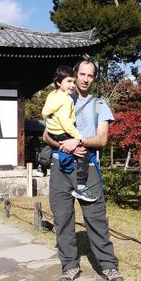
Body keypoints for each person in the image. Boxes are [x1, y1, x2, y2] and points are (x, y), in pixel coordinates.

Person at [43, 59, 124, 281]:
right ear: (74, 75)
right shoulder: (59, 101)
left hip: (87, 167)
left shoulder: (100, 105)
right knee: (62, 218)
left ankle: (108, 266)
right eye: (82, 74)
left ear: (93, 78)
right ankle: (69, 266)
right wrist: (63, 144)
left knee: (96, 219)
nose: (86, 79)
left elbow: (102, 139)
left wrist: (79, 141)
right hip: (60, 166)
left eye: (90, 75)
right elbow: (46, 136)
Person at [42, 65, 97, 202]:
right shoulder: (66, 100)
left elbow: (45, 113)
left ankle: (42, 163)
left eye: (73, 81)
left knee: (53, 145)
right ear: (59, 82)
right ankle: (81, 187)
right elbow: (66, 122)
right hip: (62, 130)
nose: (72, 85)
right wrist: (78, 137)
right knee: (83, 153)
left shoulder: (52, 95)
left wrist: (50, 123)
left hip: (52, 131)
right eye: (68, 82)